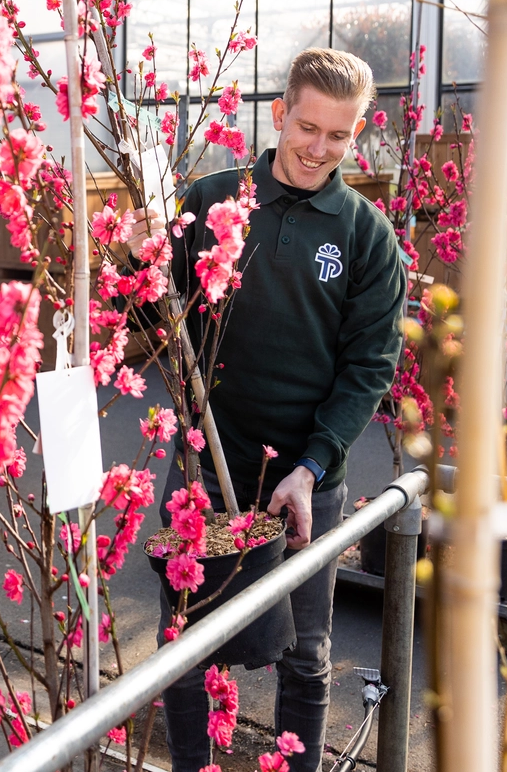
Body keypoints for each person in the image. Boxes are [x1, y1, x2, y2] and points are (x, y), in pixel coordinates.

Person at [129, 47, 406, 772]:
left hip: (306, 484)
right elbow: (149, 316)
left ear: (356, 133)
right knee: (184, 648)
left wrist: (312, 466)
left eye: (338, 135)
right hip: (204, 473)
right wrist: (135, 256)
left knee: (306, 656)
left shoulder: (367, 236)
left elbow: (368, 368)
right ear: (280, 114)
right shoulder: (210, 201)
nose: (318, 148)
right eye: (307, 127)